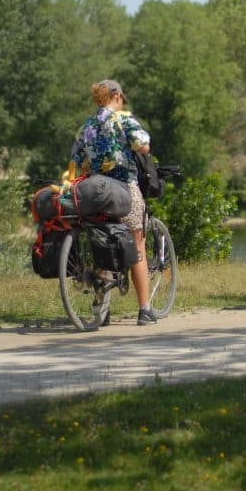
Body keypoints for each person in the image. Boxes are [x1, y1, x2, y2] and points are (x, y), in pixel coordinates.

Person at [71, 79, 158, 326]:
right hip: (124, 189)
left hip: (96, 192)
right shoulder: (122, 119)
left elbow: (77, 160)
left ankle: (103, 312)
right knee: (138, 244)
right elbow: (144, 145)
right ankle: (145, 310)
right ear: (117, 96)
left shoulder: (86, 126)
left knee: (103, 245)